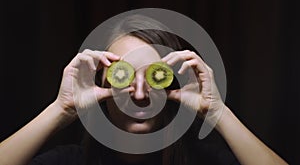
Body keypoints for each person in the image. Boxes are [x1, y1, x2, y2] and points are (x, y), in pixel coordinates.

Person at [0, 15, 288, 165]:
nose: (139, 93)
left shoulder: (206, 160)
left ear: (171, 82)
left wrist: (217, 111)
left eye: (154, 76)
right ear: (101, 84)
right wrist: (60, 109)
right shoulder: (70, 161)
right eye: (123, 76)